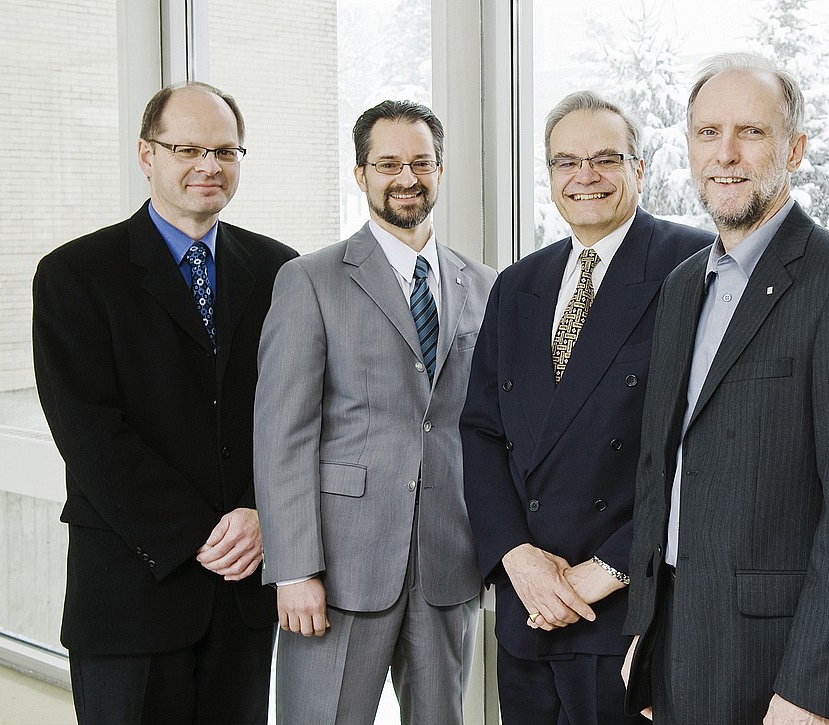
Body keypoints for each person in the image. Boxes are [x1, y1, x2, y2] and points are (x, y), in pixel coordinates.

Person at [621, 53, 829, 725]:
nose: (725, 153)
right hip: (675, 661)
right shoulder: (680, 288)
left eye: (751, 132)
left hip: (786, 679)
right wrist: (644, 632)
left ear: (796, 149)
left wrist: (813, 694)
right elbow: (658, 472)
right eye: (707, 132)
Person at [32, 82, 297, 724]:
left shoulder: (280, 270)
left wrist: (266, 512)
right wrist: (197, 532)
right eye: (188, 149)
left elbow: (296, 415)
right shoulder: (76, 274)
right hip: (134, 591)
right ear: (146, 155)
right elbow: (90, 433)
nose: (209, 165)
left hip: (244, 588)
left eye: (225, 151)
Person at [460, 90, 711, 724]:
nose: (585, 177)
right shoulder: (519, 283)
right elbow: (483, 432)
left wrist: (607, 569)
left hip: (632, 609)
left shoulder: (695, 266)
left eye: (605, 158)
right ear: (548, 174)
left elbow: (705, 448)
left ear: (640, 168)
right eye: (566, 161)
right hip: (530, 607)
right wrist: (517, 557)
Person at [253, 99, 496, 725]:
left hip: (449, 559)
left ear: (440, 170)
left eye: (420, 162)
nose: (406, 177)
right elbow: (284, 434)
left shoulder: (484, 284)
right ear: (360, 174)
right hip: (339, 566)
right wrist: (293, 569)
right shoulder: (310, 280)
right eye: (387, 163)